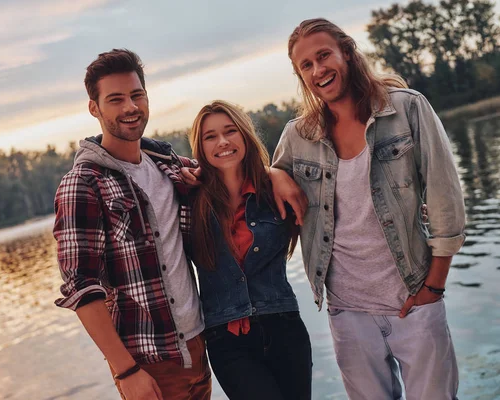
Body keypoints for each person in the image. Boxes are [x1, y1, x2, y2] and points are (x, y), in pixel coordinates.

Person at [270, 18, 465, 400]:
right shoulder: (298, 135)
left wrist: (434, 286)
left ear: (347, 51)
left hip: (414, 299)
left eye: (323, 55)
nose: (318, 70)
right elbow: (262, 179)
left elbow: (446, 200)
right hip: (348, 313)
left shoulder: (407, 109)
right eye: (305, 66)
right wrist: (273, 171)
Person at [53, 49, 211, 400]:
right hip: (149, 363)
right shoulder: (83, 184)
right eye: (116, 99)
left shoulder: (164, 162)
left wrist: (274, 176)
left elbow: (224, 170)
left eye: (137, 95)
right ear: (95, 108)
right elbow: (82, 287)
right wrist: (125, 370)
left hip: (198, 346)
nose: (130, 107)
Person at [187, 100, 312, 400]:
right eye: (210, 136)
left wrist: (273, 173)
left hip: (284, 326)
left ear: (244, 135)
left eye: (230, 131)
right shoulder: (190, 200)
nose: (223, 141)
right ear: (200, 147)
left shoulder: (275, 191)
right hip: (227, 340)